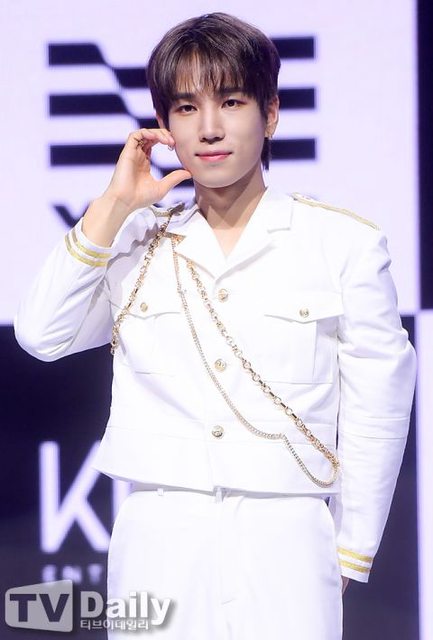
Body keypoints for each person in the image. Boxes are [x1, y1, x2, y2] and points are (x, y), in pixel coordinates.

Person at [14, 12, 416, 640]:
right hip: (158, 535)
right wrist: (112, 205)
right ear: (163, 125)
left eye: (230, 102)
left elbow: (378, 405)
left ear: (270, 113)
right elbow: (41, 334)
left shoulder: (343, 245)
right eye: (185, 108)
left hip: (287, 535)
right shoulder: (134, 243)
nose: (208, 128)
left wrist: (350, 548)